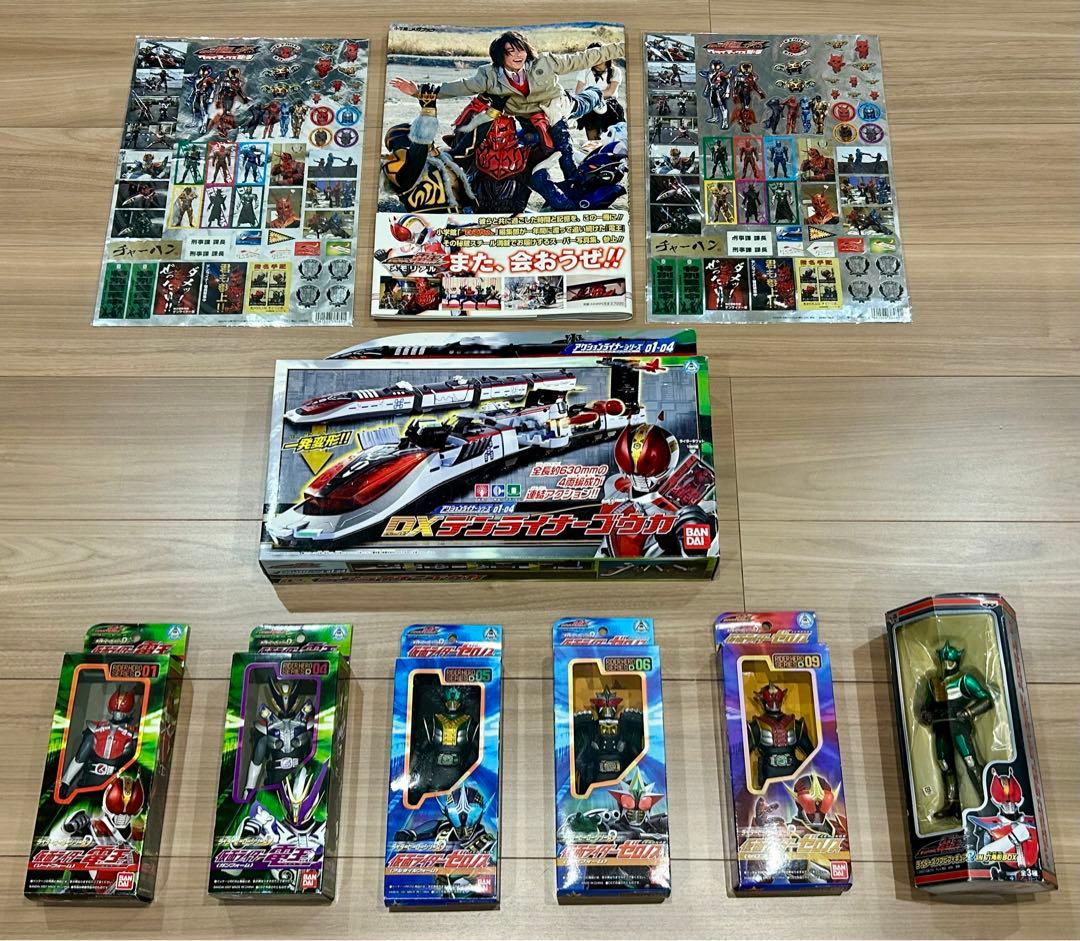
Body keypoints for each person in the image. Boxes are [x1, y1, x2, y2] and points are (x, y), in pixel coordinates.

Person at [390, 30, 623, 179]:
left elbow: (585, 58)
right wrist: (419, 91)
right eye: (510, 51)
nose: (517, 55)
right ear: (500, 56)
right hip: (528, 119)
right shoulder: (488, 75)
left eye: (520, 49)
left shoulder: (545, 62)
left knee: (585, 104)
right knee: (535, 144)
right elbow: (460, 86)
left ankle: (596, 99)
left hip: (558, 106)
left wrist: (622, 46)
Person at [574, 42, 624, 143]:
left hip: (609, 106)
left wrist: (593, 94)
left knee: (612, 138)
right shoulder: (585, 71)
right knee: (593, 141)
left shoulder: (615, 71)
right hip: (590, 105)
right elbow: (578, 91)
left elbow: (610, 92)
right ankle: (594, 148)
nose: (595, 61)